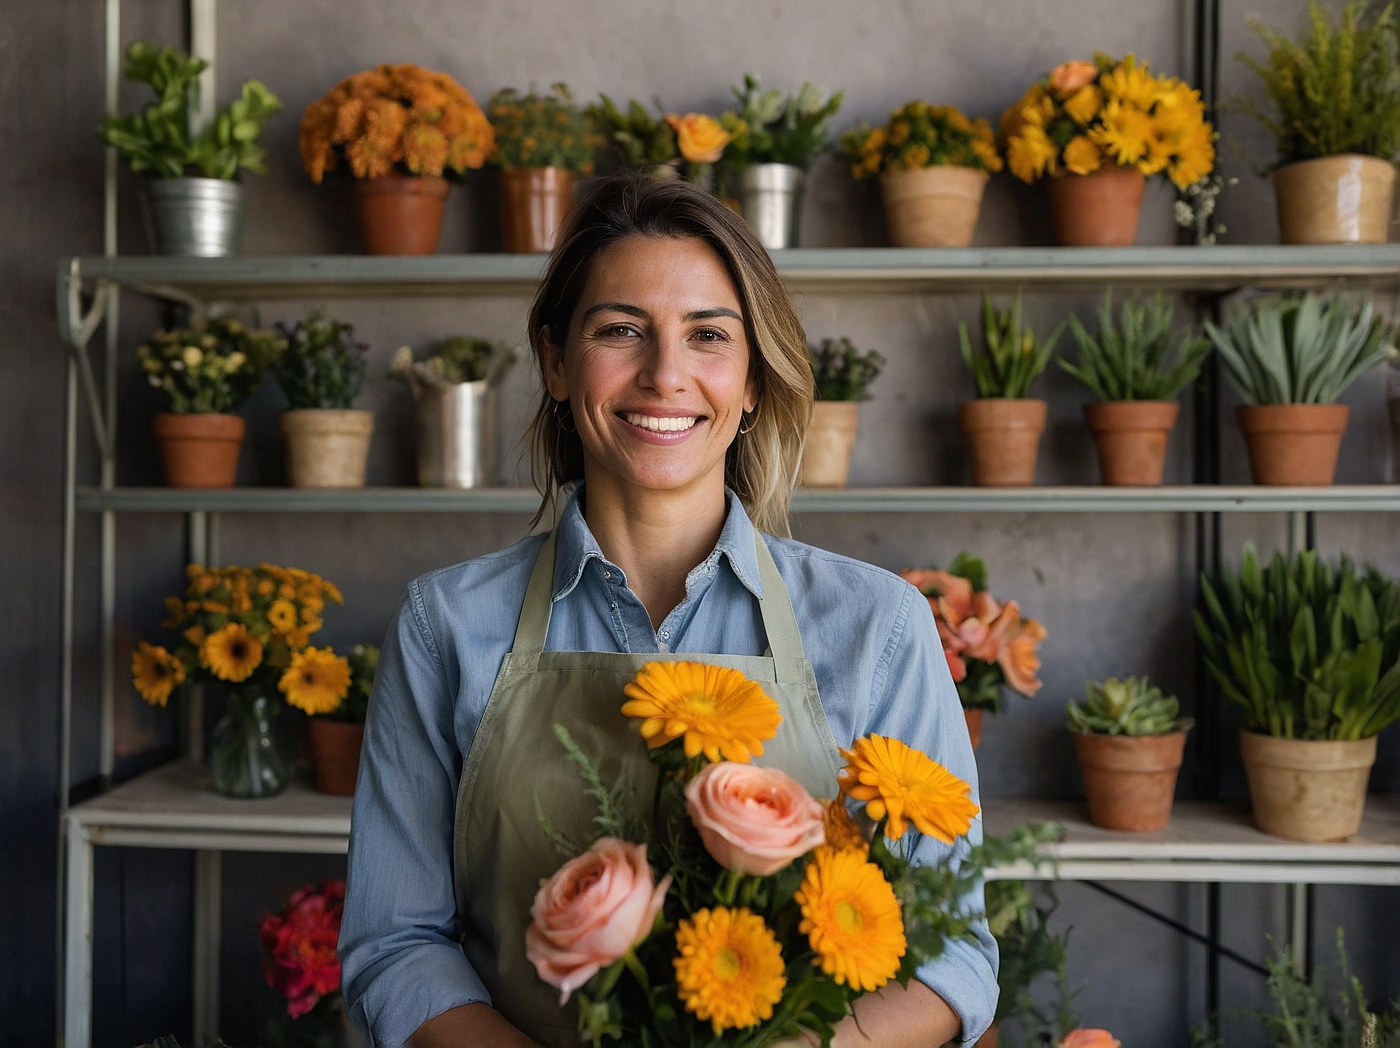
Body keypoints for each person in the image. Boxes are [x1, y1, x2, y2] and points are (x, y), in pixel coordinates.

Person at [339, 175, 996, 1048]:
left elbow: (954, 954)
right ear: (555, 360)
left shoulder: (879, 627)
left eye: (708, 336)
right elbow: (396, 944)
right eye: (620, 330)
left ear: (755, 378)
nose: (664, 375)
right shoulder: (445, 626)